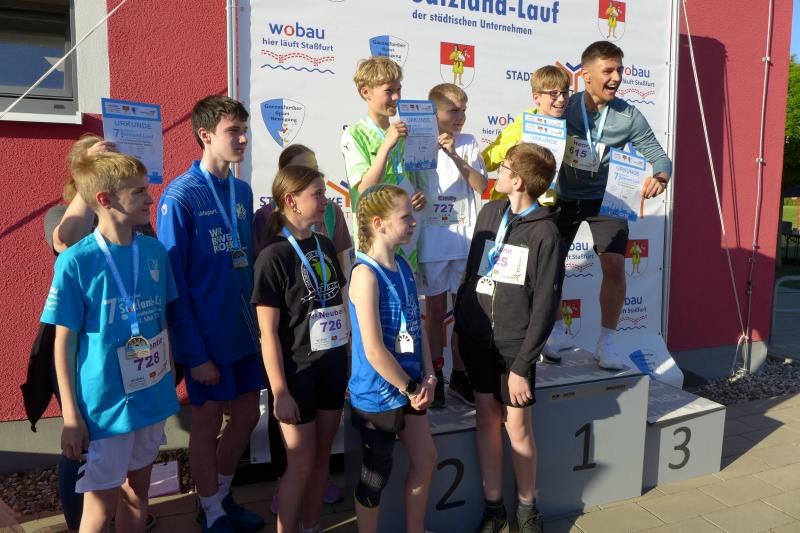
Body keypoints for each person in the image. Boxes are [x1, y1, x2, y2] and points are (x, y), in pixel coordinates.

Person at [21, 134, 157, 533]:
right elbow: (65, 239)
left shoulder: (134, 220)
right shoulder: (62, 215)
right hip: (88, 362)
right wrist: (90, 179)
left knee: (131, 473)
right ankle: (78, 519)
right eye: (103, 159)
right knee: (82, 452)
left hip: (132, 365)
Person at [157, 95, 264, 533]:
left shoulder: (242, 191)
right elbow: (173, 285)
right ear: (205, 135)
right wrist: (194, 353)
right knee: (206, 424)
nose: (242, 139)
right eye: (232, 131)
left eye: (244, 130)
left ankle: (219, 496)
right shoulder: (179, 196)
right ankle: (211, 510)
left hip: (244, 333)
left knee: (248, 417)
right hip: (207, 338)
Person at [454, 143, 564, 533]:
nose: (496, 171)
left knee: (517, 427)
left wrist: (523, 365)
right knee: (486, 419)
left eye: (502, 167)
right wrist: (462, 326)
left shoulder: (546, 233)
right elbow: (472, 273)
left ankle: (527, 509)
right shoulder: (490, 212)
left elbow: (545, 306)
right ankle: (494, 507)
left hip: (515, 347)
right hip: (477, 338)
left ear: (517, 181)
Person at [546, 41, 671, 370]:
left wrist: (660, 177)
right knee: (551, 264)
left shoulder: (628, 115)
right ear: (586, 75)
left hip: (607, 199)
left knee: (615, 266)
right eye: (608, 71)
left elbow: (660, 157)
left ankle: (608, 342)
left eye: (620, 70)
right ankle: (555, 330)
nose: (616, 77)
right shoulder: (566, 107)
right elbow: (537, 134)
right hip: (564, 197)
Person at [252, 165, 349, 533]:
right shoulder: (273, 256)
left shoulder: (325, 244)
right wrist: (279, 392)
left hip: (332, 366)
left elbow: (336, 305)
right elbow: (268, 334)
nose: (326, 201)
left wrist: (348, 358)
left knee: (322, 458)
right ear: (291, 201)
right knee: (301, 462)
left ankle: (311, 526)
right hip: (298, 374)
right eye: (317, 194)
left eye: (325, 193)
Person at [348, 184, 437, 533]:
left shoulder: (402, 265)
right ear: (379, 223)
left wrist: (429, 375)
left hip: (412, 387)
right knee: (375, 478)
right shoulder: (364, 274)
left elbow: (418, 327)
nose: (414, 222)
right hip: (379, 394)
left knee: (426, 460)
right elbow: (373, 350)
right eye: (405, 217)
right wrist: (411, 387)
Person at [418, 83, 488, 407]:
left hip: (464, 241)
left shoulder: (468, 142)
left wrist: (455, 155)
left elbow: (482, 185)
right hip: (432, 241)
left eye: (464, 110)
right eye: (453, 110)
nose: (460, 117)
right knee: (434, 313)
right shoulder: (417, 141)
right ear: (434, 113)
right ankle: (435, 377)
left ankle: (460, 375)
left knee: (463, 313)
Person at [341, 56, 426, 271]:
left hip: (406, 239)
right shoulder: (355, 134)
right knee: (376, 290)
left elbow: (412, 181)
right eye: (389, 91)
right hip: (375, 238)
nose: (396, 97)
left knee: (406, 289)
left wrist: (417, 196)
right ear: (366, 92)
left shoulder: (404, 132)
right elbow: (365, 188)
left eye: (399, 90)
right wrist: (386, 145)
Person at [482, 65, 571, 206]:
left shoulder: (567, 129)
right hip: (508, 204)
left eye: (565, 93)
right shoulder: (521, 126)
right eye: (554, 93)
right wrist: (514, 146)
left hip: (543, 207)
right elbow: (485, 162)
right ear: (537, 97)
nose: (561, 99)